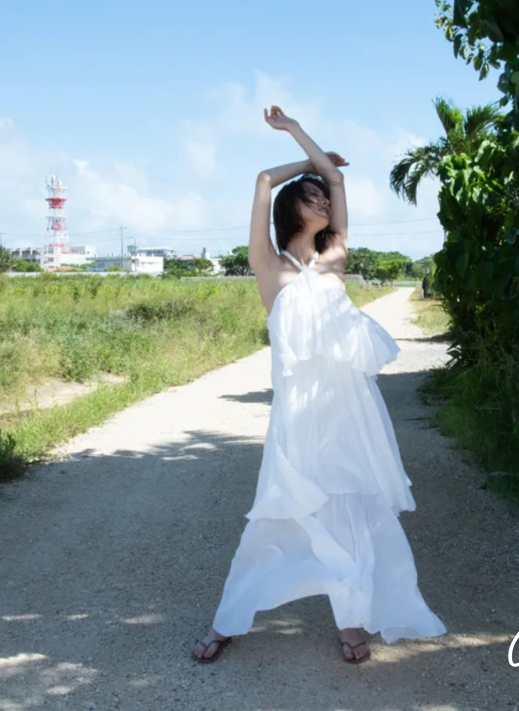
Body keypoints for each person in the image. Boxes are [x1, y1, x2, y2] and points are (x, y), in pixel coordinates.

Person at [191, 106, 446, 665]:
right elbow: (264, 180)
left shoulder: (333, 260)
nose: (324, 201)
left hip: (350, 411)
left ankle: (351, 625)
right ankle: (226, 621)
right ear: (293, 208)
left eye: (323, 197)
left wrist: (314, 154)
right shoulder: (270, 266)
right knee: (274, 517)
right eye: (312, 196)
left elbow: (338, 179)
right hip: (299, 414)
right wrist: (297, 151)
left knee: (352, 513)